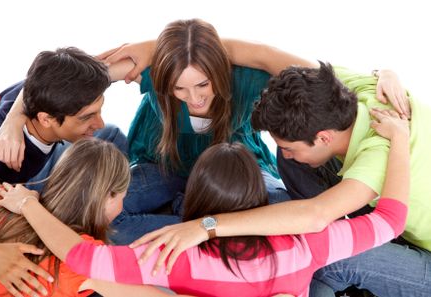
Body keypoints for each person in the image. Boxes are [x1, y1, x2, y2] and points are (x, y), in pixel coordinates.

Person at [0, 108, 409, 297]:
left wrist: (30, 205)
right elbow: (391, 220)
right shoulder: (310, 243)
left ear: (190, 202)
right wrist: (400, 139)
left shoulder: (174, 257)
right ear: (261, 198)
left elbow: (82, 258)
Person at [95, 18, 408, 244]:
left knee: (285, 223)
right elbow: (91, 75)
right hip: (167, 164)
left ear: (219, 70)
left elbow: (322, 85)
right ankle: (194, 224)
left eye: (203, 84)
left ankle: (203, 226)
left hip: (238, 169)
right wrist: (154, 48)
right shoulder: (155, 75)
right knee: (99, 215)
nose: (195, 98)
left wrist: (382, 73)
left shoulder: (245, 79)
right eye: (180, 89)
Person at [134, 63, 430, 296]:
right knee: (293, 163)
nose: (285, 155)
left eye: (292, 147)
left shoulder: (380, 152)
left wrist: (207, 226)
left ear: (324, 137)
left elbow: (317, 217)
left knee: (328, 257)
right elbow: (259, 54)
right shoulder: (346, 87)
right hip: (400, 214)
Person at [0, 47, 128, 296]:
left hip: (26, 173)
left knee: (109, 134)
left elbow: (130, 62)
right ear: (46, 118)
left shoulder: (43, 86)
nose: (98, 122)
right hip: (13, 194)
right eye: (87, 117)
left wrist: (14, 119)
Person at [0, 138, 191, 297]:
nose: (122, 206)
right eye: (122, 197)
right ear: (107, 197)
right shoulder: (85, 259)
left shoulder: (6, 206)